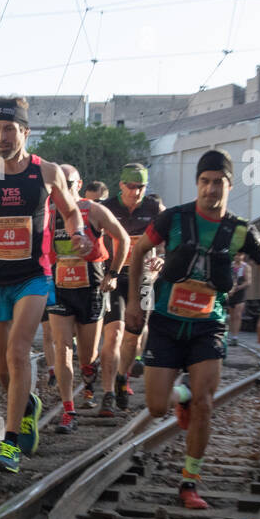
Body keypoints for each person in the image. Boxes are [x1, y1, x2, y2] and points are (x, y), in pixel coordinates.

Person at [125, 150, 260, 509]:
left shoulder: (242, 231)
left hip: (208, 327)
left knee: (205, 404)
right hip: (165, 323)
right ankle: (181, 396)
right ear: (197, 184)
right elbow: (138, 253)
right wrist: (135, 301)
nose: (211, 189)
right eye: (205, 181)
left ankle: (190, 481)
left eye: (218, 182)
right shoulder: (173, 219)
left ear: (229, 184)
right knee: (156, 406)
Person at [0, 96, 90, 474]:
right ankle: (27, 406)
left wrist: (80, 233)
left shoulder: (46, 172)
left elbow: (70, 211)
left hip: (33, 278)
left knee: (20, 353)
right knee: (3, 366)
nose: (2, 137)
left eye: (9, 129)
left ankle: (10, 443)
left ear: (25, 132)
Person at [47, 169, 129, 432]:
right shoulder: (47, 211)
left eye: (68, 184)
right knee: (62, 347)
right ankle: (69, 411)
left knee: (88, 354)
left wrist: (114, 273)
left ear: (79, 185)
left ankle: (90, 375)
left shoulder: (92, 210)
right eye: (56, 185)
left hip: (90, 287)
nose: (62, 189)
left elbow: (123, 238)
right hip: (60, 289)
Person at [100, 163, 165, 417]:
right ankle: (106, 393)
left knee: (132, 336)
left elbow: (171, 238)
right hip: (114, 277)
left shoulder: (154, 208)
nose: (136, 192)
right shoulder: (107, 208)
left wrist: (162, 257)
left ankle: (121, 376)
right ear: (121, 185)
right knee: (114, 334)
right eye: (131, 187)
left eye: (141, 187)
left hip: (144, 280)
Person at [226, 252, 251, 345]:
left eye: (240, 254)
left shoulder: (246, 267)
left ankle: (235, 337)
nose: (237, 256)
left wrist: (238, 287)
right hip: (231, 292)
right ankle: (232, 335)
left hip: (240, 293)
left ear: (243, 256)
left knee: (238, 315)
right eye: (236, 254)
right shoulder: (230, 266)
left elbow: (248, 281)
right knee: (232, 316)